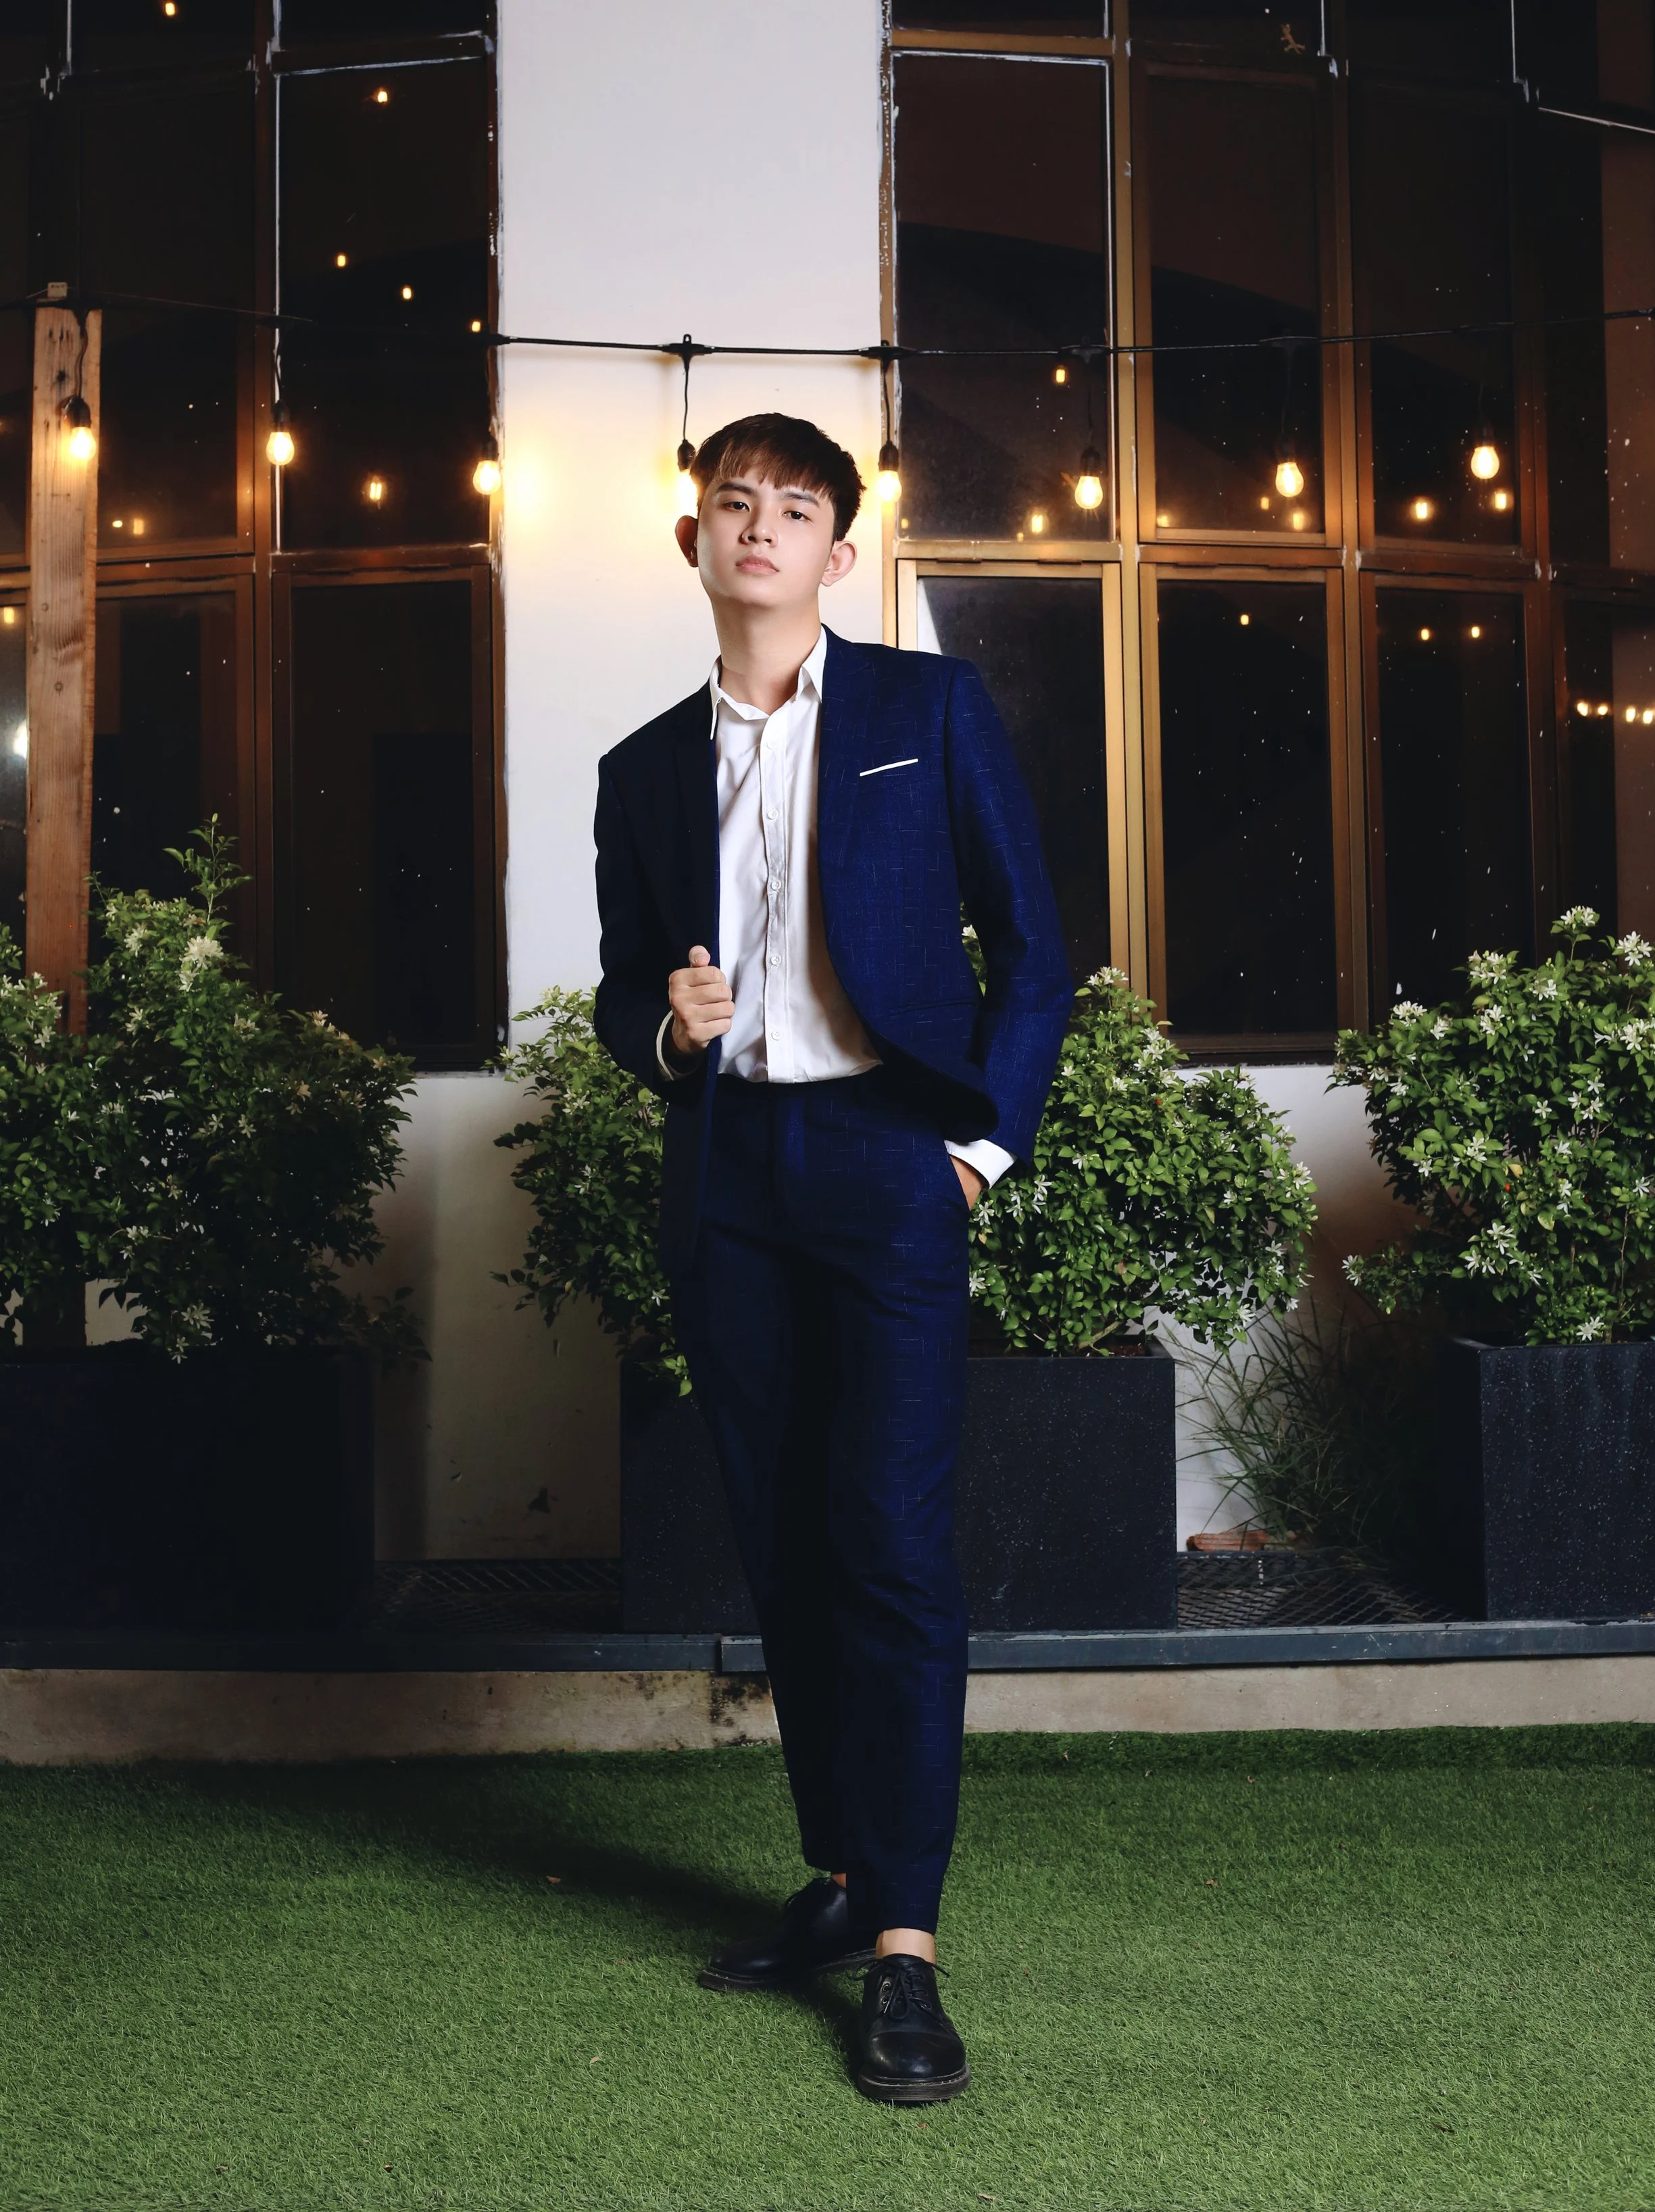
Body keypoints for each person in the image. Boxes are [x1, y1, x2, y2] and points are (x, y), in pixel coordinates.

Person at [592, 412, 1070, 2103]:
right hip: (729, 1182)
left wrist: (974, 1148)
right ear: (695, 542)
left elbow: (1034, 948)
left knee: (888, 1542)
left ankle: (907, 1948)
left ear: (837, 555)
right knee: (785, 1543)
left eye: (797, 508)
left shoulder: (920, 711)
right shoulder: (641, 769)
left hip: (886, 1163)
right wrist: (663, 1024)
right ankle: (844, 1869)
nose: (763, 528)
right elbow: (611, 998)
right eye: (736, 503)